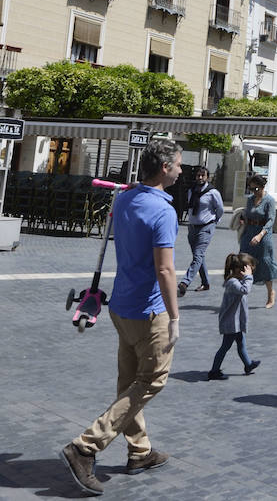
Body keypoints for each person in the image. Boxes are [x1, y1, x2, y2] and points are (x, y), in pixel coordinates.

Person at [61, 138, 182, 496]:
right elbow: (165, 270)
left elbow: (133, 194)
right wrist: (174, 317)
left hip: (120, 307)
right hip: (150, 311)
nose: (180, 168)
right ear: (164, 168)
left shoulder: (126, 197)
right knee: (152, 380)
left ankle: (140, 451)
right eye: (177, 163)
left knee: (128, 380)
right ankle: (85, 446)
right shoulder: (164, 212)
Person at [207, 253, 259, 379]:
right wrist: (249, 277)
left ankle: (248, 364)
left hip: (236, 322)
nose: (250, 272)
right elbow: (245, 290)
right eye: (248, 269)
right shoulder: (233, 283)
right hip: (231, 323)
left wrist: (246, 277)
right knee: (225, 346)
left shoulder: (238, 281)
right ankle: (214, 371)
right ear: (239, 270)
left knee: (241, 344)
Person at [177, 166, 223, 298]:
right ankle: (205, 282)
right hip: (192, 227)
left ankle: (185, 282)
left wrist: (215, 221)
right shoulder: (192, 190)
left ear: (207, 177)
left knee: (198, 255)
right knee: (199, 257)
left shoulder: (213, 192)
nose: (200, 178)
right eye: (198, 175)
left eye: (203, 175)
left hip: (206, 227)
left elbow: (219, 208)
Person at [234, 174, 277, 309]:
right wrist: (242, 219)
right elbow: (247, 214)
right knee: (243, 262)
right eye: (251, 189)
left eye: (256, 189)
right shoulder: (250, 200)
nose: (254, 192)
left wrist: (260, 235)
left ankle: (271, 293)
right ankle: (241, 294)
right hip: (248, 233)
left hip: (263, 235)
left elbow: (271, 220)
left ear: (263, 187)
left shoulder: (269, 200)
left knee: (265, 263)